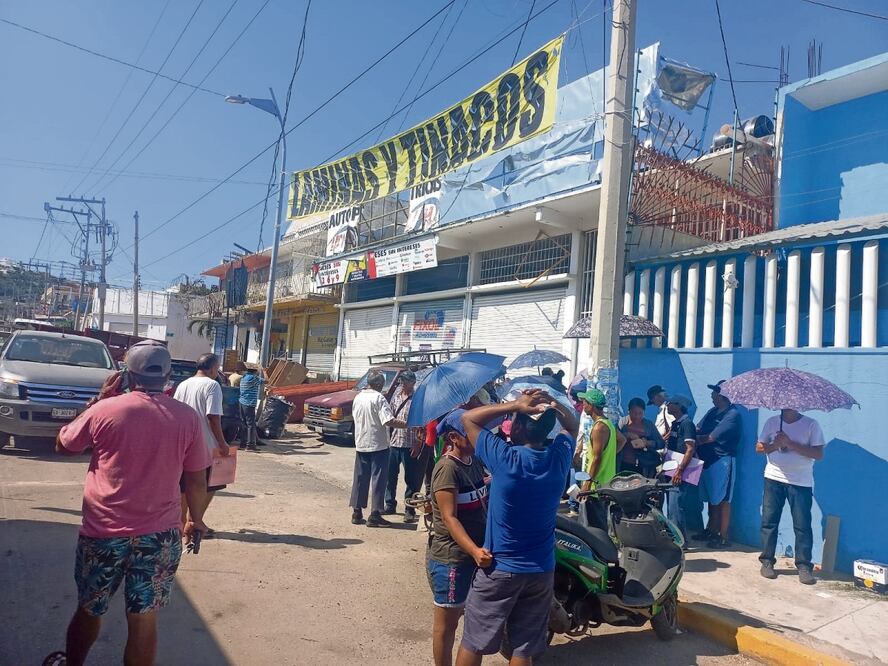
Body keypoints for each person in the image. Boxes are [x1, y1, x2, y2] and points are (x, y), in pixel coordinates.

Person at [51, 340, 210, 666]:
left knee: (90, 607)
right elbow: (196, 479)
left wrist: (99, 398)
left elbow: (64, 445)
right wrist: (196, 519)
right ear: (168, 375)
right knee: (143, 617)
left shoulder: (105, 409)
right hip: (160, 536)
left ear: (126, 373)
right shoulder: (187, 418)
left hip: (104, 533)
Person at [455, 389, 579, 666]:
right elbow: (572, 425)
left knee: (474, 641)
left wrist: (516, 404)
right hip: (540, 569)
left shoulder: (505, 458)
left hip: (500, 568)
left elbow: (469, 420)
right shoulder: (558, 459)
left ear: (520, 427)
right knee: (523, 649)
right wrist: (554, 404)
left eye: (514, 420)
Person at [427, 409, 491, 666]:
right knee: (447, 624)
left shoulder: (474, 461)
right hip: (452, 558)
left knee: (473, 622)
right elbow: (450, 518)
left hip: (474, 555)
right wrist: (475, 551)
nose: (478, 436)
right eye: (471, 432)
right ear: (454, 437)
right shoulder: (446, 469)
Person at [756, 408, 825, 585]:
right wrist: (775, 445)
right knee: (769, 522)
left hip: (800, 482)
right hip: (773, 478)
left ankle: (803, 566)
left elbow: (818, 454)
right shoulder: (772, 422)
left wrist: (790, 443)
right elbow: (759, 448)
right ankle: (767, 561)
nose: (786, 405)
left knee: (802, 525)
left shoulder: (811, 424)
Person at [173, 353, 231, 533]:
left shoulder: (183, 384)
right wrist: (222, 443)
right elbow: (213, 417)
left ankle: (181, 523)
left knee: (183, 484)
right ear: (213, 368)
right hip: (205, 444)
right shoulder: (212, 385)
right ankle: (195, 520)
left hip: (183, 443)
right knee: (211, 483)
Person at [350, 370, 407, 527]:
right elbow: (388, 420)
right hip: (378, 444)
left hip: (361, 443)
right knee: (378, 480)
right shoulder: (379, 398)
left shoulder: (358, 397)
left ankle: (357, 511)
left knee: (360, 479)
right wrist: (407, 424)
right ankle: (375, 514)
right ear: (379, 385)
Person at [695, 380, 742, 548]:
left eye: (715, 392)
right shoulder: (712, 411)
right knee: (711, 498)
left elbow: (710, 437)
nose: (712, 395)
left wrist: (696, 441)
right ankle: (711, 529)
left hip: (722, 461)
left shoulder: (732, 415)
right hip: (707, 460)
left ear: (722, 395)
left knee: (723, 499)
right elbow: (698, 428)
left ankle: (723, 535)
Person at [576, 388, 626, 529]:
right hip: (605, 482)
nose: (583, 405)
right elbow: (622, 440)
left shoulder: (599, 428)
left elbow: (597, 458)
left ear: (591, 405)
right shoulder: (607, 423)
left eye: (585, 402)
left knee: (595, 528)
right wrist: (610, 455)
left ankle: (601, 551)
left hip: (596, 486)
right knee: (600, 524)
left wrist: (587, 482)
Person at [384, 371, 425, 523]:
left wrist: (418, 443)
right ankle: (389, 504)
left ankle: (409, 509)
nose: (402, 383)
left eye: (405, 381)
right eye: (401, 380)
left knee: (411, 480)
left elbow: (422, 425)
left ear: (413, 383)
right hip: (394, 443)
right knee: (390, 477)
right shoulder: (396, 398)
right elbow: (390, 418)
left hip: (410, 445)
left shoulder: (418, 401)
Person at [663, 395, 697, 542]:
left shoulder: (687, 424)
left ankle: (680, 541)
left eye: (671, 403)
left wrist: (680, 471)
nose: (668, 406)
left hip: (679, 471)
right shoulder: (676, 424)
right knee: (671, 507)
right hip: (671, 468)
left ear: (679, 406)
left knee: (676, 506)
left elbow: (690, 449)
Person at [619, 397, 665, 478]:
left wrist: (647, 443)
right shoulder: (622, 423)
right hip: (624, 464)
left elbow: (661, 443)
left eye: (640, 413)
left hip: (644, 466)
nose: (637, 416)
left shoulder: (648, 425)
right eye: (634, 413)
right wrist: (626, 435)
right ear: (628, 411)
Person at [238, 363, 265, 451]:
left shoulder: (244, 377)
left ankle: (243, 444)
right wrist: (264, 371)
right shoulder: (254, 378)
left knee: (244, 423)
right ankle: (250, 446)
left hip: (241, 402)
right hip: (249, 404)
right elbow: (267, 381)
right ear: (255, 372)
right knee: (251, 425)